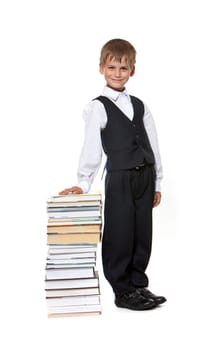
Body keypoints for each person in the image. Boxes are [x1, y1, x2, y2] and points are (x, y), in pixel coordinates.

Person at [59, 38, 166, 311]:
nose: (117, 73)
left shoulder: (140, 105)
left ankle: (138, 284)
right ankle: (122, 290)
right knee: (120, 231)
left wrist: (158, 181)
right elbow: (92, 148)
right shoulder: (97, 107)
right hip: (119, 177)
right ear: (101, 69)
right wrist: (83, 183)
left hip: (145, 175)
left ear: (132, 70)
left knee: (142, 232)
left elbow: (152, 144)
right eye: (112, 67)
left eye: (123, 68)